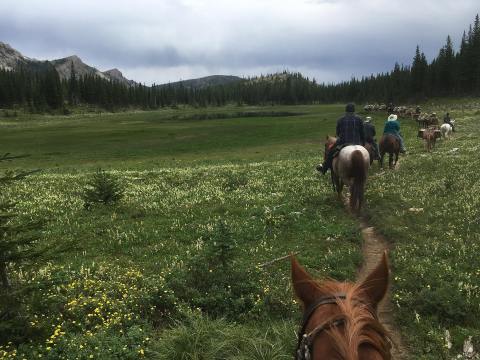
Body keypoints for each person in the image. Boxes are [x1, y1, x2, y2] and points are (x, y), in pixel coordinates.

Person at [317, 103, 365, 174]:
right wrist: (362, 142)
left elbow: (338, 132)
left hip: (343, 142)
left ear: (346, 110)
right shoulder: (359, 119)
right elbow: (362, 132)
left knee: (331, 152)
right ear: (354, 110)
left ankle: (324, 168)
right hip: (356, 142)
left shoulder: (340, 119)